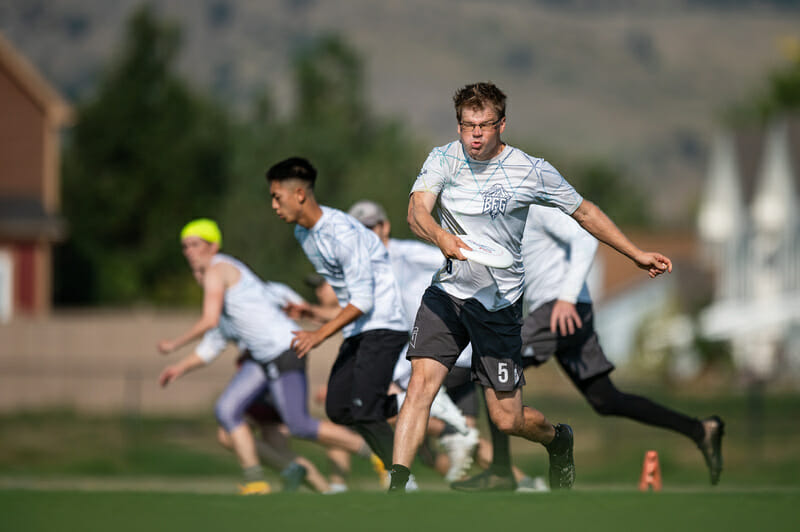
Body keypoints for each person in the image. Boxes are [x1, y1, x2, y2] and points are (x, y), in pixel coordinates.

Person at [388, 82, 673, 493]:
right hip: (447, 296)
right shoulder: (443, 159)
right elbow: (417, 211)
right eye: (468, 126)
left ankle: (558, 439)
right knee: (420, 387)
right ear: (458, 126)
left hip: (499, 306)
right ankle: (398, 486)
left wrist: (635, 253)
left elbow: (586, 212)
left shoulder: (531, 170)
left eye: (485, 125)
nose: (475, 135)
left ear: (502, 124)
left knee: (508, 419)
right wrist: (442, 238)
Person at [452, 205, 726, 490]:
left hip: (559, 308)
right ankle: (700, 430)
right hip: (567, 311)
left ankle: (501, 470)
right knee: (606, 399)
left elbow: (586, 239)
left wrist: (566, 299)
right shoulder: (495, 216)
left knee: (492, 365)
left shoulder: (532, 205)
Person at [157, 218, 377, 494]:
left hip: (284, 350)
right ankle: (257, 481)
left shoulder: (218, 269)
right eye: (184, 247)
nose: (188, 252)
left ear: (212, 247)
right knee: (226, 411)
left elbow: (209, 320)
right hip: (263, 360)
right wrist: (178, 368)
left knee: (298, 424)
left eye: (194, 245)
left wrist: (173, 344)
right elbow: (211, 346)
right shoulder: (228, 297)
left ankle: (374, 450)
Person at [266, 158, 409, 474]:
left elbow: (363, 300)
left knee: (366, 410)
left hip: (384, 323)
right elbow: (347, 294)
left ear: (300, 194)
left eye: (278, 197)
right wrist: (314, 312)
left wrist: (318, 334)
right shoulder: (303, 235)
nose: (274, 205)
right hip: (359, 327)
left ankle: (403, 482)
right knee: (338, 408)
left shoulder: (341, 232)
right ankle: (413, 404)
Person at [347, 199, 481, 482]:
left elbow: (460, 260)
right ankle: (524, 486)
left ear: (384, 227)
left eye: (369, 227)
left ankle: (404, 476)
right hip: (433, 349)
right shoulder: (362, 267)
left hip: (447, 349)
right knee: (460, 449)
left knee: (397, 409)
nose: (364, 235)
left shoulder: (406, 253)